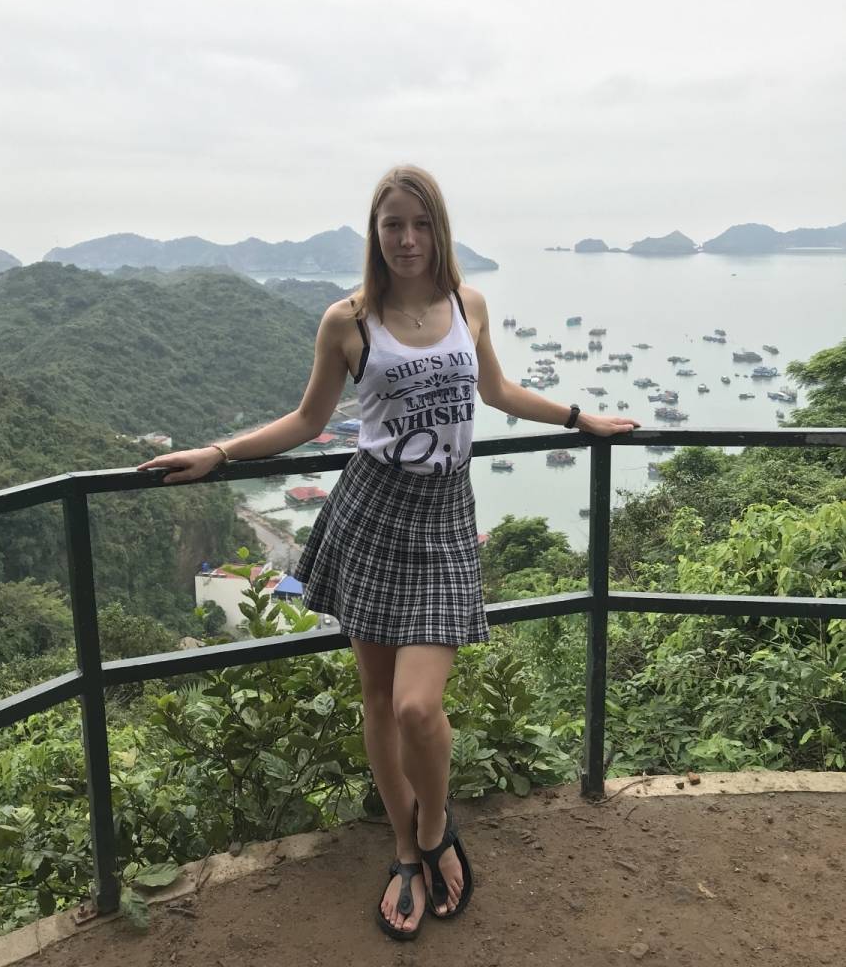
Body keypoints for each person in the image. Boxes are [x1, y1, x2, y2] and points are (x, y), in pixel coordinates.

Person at [137, 165, 640, 940]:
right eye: (393, 225)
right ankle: (406, 847)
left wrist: (581, 418)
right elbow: (308, 421)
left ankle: (435, 826)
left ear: (440, 229)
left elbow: (498, 392)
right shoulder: (348, 321)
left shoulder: (468, 304)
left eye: (420, 224)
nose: (407, 239)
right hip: (372, 513)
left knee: (416, 705)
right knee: (377, 698)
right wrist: (220, 452)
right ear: (375, 234)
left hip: (444, 517)